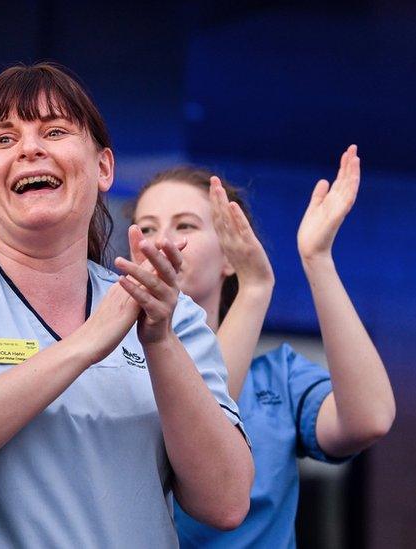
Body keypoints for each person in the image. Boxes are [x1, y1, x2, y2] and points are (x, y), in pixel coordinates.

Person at [0, 62, 253, 548]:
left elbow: (226, 502)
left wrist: (159, 340)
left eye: (55, 130)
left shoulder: (168, 313)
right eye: (3, 139)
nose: (29, 148)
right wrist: (82, 345)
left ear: (104, 167)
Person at [129, 149, 395, 547]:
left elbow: (369, 419)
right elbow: (194, 426)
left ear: (230, 257)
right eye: (146, 229)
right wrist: (255, 289)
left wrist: (317, 258)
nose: (162, 241)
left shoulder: (278, 378)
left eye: (185, 225)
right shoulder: (114, 367)